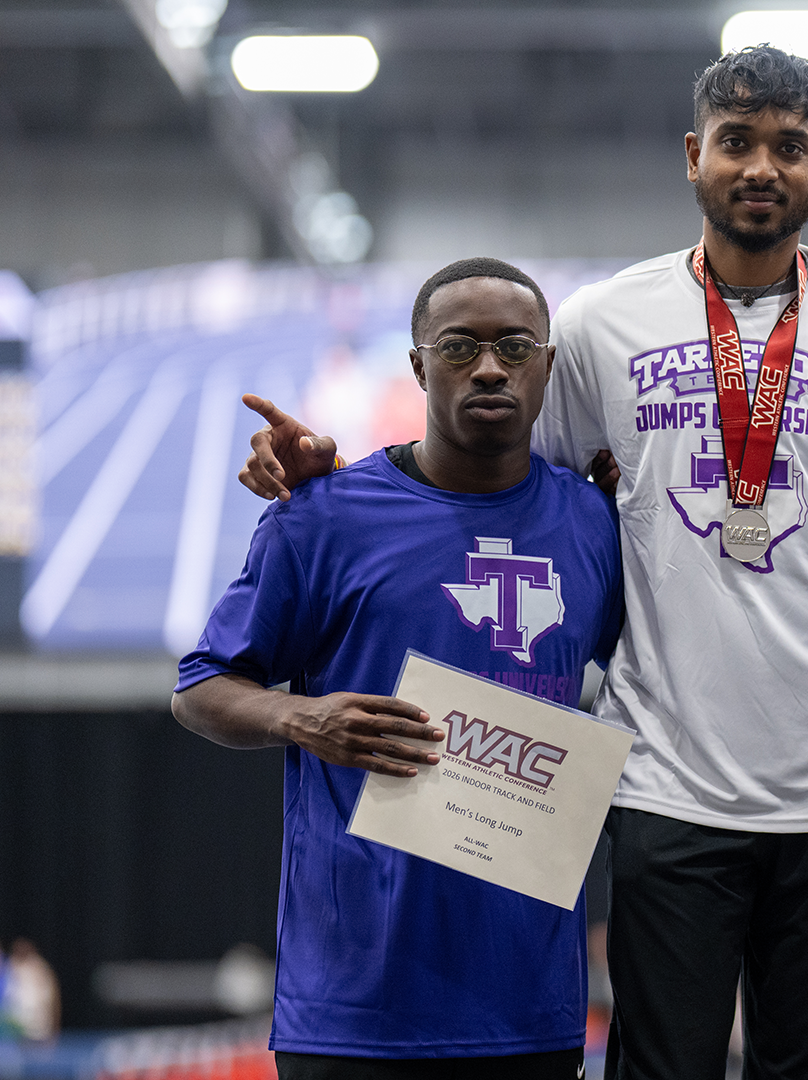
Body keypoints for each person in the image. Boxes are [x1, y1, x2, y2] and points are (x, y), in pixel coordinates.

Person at [238, 47, 808, 1080]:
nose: (760, 167)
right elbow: (497, 479)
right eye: (736, 143)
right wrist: (347, 485)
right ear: (693, 156)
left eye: (789, 147)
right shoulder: (603, 325)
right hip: (665, 786)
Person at [176, 258, 623, 1078]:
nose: (489, 366)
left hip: (529, 1007)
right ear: (417, 365)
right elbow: (200, 687)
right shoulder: (323, 517)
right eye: (459, 345)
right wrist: (298, 718)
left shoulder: (595, 524)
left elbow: (664, 671)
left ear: (548, 366)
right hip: (351, 1009)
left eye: (515, 345)